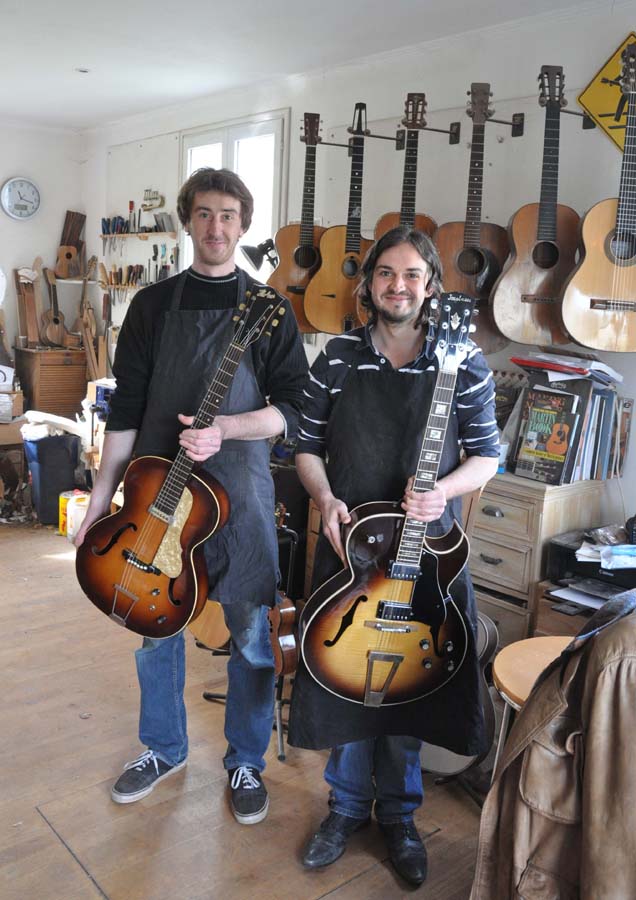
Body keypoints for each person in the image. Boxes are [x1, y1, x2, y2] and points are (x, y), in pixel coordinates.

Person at [75, 167, 307, 825]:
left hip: (241, 494)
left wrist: (227, 428)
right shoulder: (152, 306)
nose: (216, 226)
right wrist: (99, 497)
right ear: (188, 220)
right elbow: (126, 408)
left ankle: (245, 760)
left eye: (228, 215)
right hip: (158, 492)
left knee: (252, 637)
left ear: (243, 223)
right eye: (204, 213)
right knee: (154, 628)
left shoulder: (269, 309)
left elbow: (293, 408)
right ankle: (164, 748)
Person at [287, 226, 499, 886]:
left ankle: (401, 818)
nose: (397, 286)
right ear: (369, 283)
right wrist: (324, 498)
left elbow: (487, 456)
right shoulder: (339, 356)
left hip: (426, 555)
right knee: (345, 677)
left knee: (410, 682)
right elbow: (306, 446)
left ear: (431, 286)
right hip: (350, 550)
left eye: (411, 275)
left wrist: (444, 492)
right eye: (386, 273)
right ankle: (346, 809)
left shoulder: (461, 360)